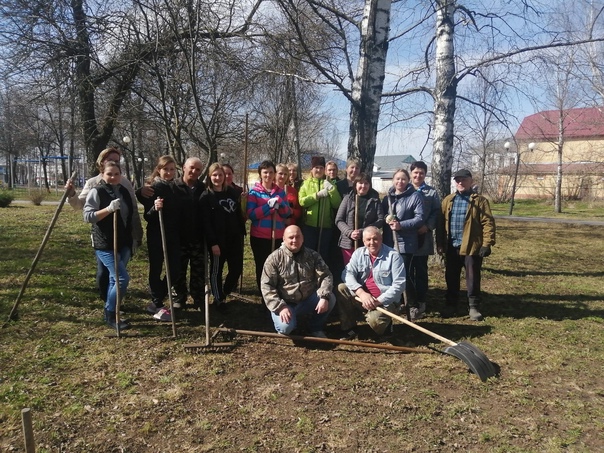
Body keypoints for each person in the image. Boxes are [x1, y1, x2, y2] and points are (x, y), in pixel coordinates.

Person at [65, 147, 142, 302]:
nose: (114, 162)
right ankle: (106, 300)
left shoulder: (124, 182)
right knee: (104, 271)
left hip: (124, 235)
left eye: (117, 160)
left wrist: (137, 233)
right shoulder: (93, 184)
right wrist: (71, 194)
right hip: (104, 237)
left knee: (119, 272)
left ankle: (114, 303)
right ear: (101, 162)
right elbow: (80, 205)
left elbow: (132, 208)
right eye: (109, 159)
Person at [437, 169, 496, 321]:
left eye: (463, 180)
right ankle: (451, 304)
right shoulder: (448, 200)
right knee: (451, 276)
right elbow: (440, 224)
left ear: (470, 181)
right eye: (457, 180)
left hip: (471, 247)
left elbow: (488, 223)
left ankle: (474, 306)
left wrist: (487, 244)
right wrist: (440, 244)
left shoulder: (480, 201)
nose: (460, 183)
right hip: (452, 246)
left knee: (472, 277)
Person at [261, 225, 336, 338]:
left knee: (331, 299)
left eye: (297, 237)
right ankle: (284, 320)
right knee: (285, 328)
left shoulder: (312, 256)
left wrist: (324, 296)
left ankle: (316, 328)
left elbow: (326, 276)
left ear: (302, 238)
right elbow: (267, 286)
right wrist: (280, 307)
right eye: (291, 237)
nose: (294, 240)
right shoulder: (274, 259)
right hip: (285, 303)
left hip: (308, 299)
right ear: (284, 239)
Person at [83, 160, 133, 330]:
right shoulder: (96, 192)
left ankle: (113, 312)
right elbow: (88, 216)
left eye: (116, 174)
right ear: (102, 174)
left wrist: (133, 239)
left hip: (124, 242)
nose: (113, 177)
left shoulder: (124, 191)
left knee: (114, 279)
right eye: (109, 174)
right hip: (105, 244)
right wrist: (108, 210)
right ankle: (110, 312)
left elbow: (129, 217)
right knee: (121, 279)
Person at [336, 227, 405, 341]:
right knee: (341, 288)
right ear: (363, 241)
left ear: (381, 239)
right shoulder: (358, 253)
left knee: (376, 323)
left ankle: (386, 326)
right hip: (363, 298)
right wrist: (361, 293)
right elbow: (346, 274)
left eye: (375, 239)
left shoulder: (394, 256)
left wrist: (378, 301)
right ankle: (349, 328)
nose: (372, 243)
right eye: (368, 240)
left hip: (385, 302)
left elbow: (399, 285)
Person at [136, 155, 182, 322]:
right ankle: (157, 302)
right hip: (157, 233)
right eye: (165, 169)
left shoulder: (176, 187)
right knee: (156, 267)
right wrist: (155, 209)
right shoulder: (153, 188)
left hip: (174, 234)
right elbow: (147, 217)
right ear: (159, 170)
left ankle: (158, 296)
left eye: (172, 169)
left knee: (175, 269)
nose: (169, 172)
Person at [200, 163, 246, 310]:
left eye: (221, 175)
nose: (218, 178)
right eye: (215, 175)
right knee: (216, 270)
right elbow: (205, 223)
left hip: (234, 239)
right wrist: (212, 243)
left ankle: (225, 291)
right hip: (218, 241)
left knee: (236, 268)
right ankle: (218, 298)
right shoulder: (206, 197)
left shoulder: (232, 193)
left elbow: (239, 214)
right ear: (210, 176)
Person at [381, 168, 424, 320]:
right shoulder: (388, 198)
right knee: (390, 273)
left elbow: (419, 218)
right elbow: (382, 214)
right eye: (397, 179)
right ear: (393, 180)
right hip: (389, 241)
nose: (400, 182)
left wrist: (401, 225)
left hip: (406, 242)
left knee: (403, 273)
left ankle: (413, 305)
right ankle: (398, 302)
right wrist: (387, 217)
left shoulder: (415, 196)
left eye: (403, 179)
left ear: (408, 181)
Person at [246, 160, 292, 293]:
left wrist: (282, 204)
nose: (268, 175)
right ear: (260, 174)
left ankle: (276, 293)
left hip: (277, 236)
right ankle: (264, 295)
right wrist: (268, 206)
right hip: (260, 237)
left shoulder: (280, 192)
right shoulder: (254, 193)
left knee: (278, 267)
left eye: (271, 172)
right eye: (265, 172)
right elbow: (252, 215)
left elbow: (286, 213)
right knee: (263, 267)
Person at [408, 161, 441, 318]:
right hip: (406, 238)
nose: (418, 175)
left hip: (423, 237)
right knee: (406, 271)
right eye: (415, 172)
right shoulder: (405, 189)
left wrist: (427, 226)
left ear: (425, 174)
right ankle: (408, 300)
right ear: (411, 173)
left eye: (421, 173)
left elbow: (436, 212)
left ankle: (421, 301)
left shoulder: (431, 193)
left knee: (420, 271)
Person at [172, 157, 206, 309]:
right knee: (179, 270)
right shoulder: (173, 187)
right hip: (179, 238)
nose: (194, 171)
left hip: (198, 237)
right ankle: (180, 297)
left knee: (198, 271)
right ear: (184, 167)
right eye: (192, 167)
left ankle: (198, 298)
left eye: (198, 169)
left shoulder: (203, 188)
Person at [298, 156, 342, 259]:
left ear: (324, 170)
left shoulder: (330, 184)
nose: (318, 170)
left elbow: (337, 204)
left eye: (321, 168)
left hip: (325, 226)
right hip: (309, 225)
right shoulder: (305, 184)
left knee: (323, 254)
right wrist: (316, 196)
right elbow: (302, 201)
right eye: (316, 167)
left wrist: (331, 190)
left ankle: (321, 274)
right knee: (309, 253)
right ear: (311, 169)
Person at [335, 173, 384, 266]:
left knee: (366, 269)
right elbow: (339, 219)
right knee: (351, 269)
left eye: (366, 183)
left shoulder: (375, 200)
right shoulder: (348, 198)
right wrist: (350, 232)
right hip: (349, 243)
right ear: (355, 184)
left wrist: (364, 231)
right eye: (360, 183)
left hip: (369, 243)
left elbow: (380, 219)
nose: (363, 186)